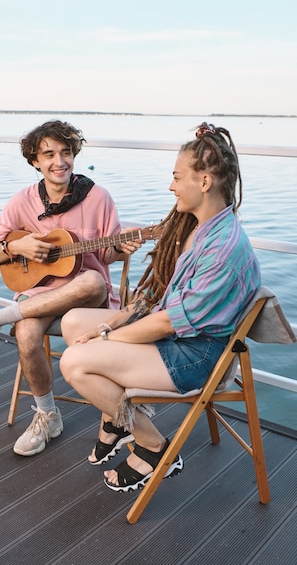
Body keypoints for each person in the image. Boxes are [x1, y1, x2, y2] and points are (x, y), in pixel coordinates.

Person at [59, 122, 261, 493]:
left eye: (176, 177)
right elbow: (159, 302)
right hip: (177, 337)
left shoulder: (223, 248)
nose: (171, 186)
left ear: (203, 182)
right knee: (73, 323)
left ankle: (154, 448)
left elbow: (169, 322)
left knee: (74, 361)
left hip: (196, 355)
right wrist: (114, 324)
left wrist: (109, 334)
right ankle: (118, 420)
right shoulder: (196, 227)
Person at [0, 120, 142, 456]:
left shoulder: (98, 197)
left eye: (66, 152)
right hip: (39, 296)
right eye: (48, 154)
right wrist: (17, 248)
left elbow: (106, 256)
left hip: (88, 299)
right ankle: (47, 416)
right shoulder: (23, 202)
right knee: (25, 334)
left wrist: (120, 248)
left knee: (93, 279)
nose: (59, 161)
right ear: (35, 161)